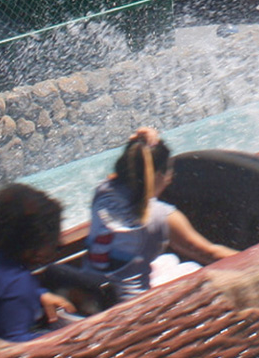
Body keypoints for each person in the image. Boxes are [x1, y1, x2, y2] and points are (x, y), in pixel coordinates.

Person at [85, 129, 236, 302]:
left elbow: (128, 165)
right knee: (193, 268)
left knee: (168, 260)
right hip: (132, 305)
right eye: (169, 172)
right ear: (158, 175)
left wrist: (141, 143)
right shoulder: (161, 215)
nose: (170, 179)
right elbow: (210, 253)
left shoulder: (103, 191)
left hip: (97, 291)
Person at [0, 183, 77, 341]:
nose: (59, 242)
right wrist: (61, 338)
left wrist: (38, 294)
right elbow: (15, 343)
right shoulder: (18, 283)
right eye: (54, 240)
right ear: (33, 242)